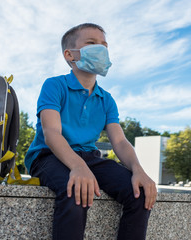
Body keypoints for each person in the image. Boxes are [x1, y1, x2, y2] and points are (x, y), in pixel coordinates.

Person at [24, 23, 157, 240]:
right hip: (48, 155)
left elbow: (120, 142)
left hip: (88, 158)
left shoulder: (107, 99)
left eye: (104, 45)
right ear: (70, 55)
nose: (101, 50)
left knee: (140, 193)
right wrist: (78, 166)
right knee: (74, 191)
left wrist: (138, 169)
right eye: (91, 43)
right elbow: (51, 133)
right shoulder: (54, 85)